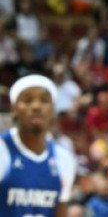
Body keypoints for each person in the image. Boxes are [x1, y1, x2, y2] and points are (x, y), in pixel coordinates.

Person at [0, 74, 78, 217]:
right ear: (13, 108)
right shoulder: (2, 149)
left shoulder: (64, 158)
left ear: (53, 109)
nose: (36, 106)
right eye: (27, 100)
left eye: (44, 100)